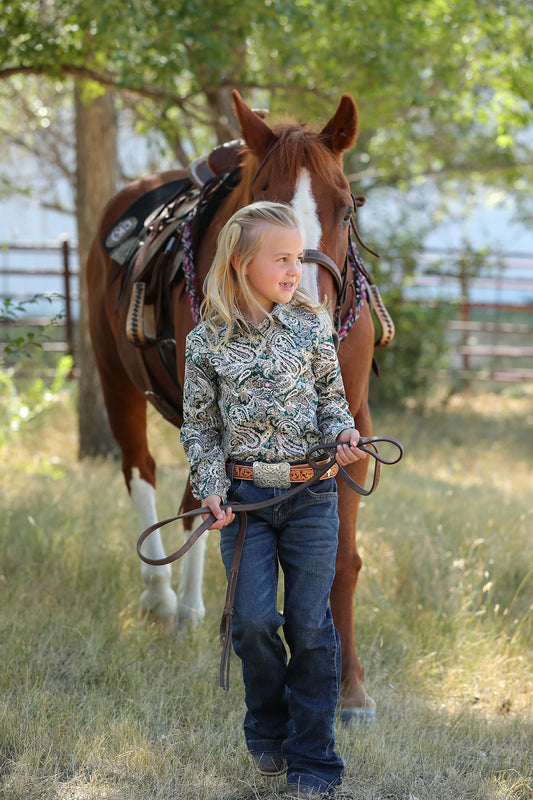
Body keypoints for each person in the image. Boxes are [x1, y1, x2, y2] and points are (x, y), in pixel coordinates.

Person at [180, 201, 366, 799]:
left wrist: (343, 434)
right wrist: (210, 486)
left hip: (311, 494)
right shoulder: (206, 342)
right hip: (244, 500)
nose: (295, 269)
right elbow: (200, 427)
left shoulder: (312, 326)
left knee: (310, 625)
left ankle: (314, 762)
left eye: (299, 257)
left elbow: (332, 401)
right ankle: (268, 727)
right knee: (254, 621)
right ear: (240, 263)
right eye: (281, 258)